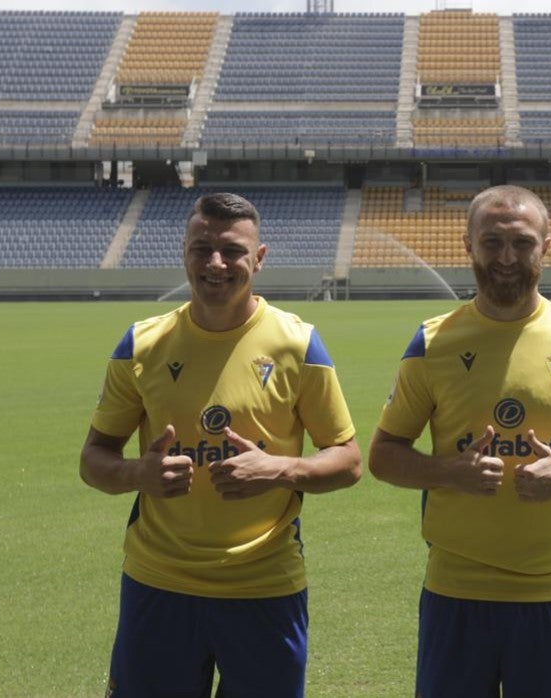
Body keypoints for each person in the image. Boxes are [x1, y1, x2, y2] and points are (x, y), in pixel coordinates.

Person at [368, 184, 551, 697]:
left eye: (521, 242)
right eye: (491, 241)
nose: (505, 257)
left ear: (547, 245)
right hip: (455, 591)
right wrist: (448, 472)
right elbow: (383, 456)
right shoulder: (431, 342)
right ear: (467, 245)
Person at [79, 192, 361, 697]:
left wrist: (279, 469)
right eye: (201, 248)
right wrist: (136, 475)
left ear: (259, 257)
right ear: (183, 252)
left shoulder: (298, 344)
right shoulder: (141, 345)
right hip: (159, 582)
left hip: (265, 587)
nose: (215, 263)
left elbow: (348, 460)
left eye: (231, 250)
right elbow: (93, 459)